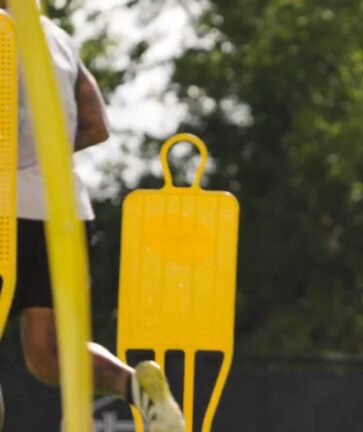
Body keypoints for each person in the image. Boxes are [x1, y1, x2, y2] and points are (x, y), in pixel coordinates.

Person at [0, 2, 185, 431]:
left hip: (5, 208)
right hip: (60, 208)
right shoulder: (56, 37)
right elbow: (96, 124)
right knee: (49, 354)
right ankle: (137, 386)